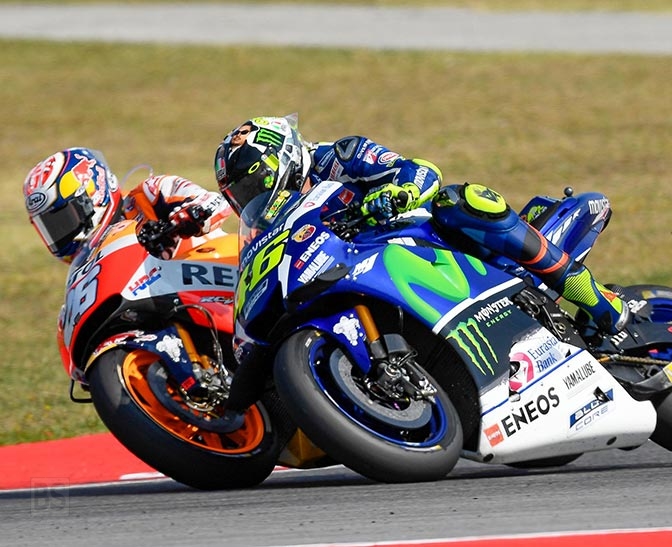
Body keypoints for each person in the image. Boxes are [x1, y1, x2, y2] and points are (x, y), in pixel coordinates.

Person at [213, 114, 629, 418]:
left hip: (419, 235)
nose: (250, 196)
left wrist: (399, 192)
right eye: (239, 193)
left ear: (283, 158)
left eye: (253, 181)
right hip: (363, 267)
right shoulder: (267, 225)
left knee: (463, 200)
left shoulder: (340, 156)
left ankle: (598, 300)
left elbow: (421, 170)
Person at [23, 147, 232, 264]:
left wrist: (185, 219)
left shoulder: (150, 193)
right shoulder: (86, 265)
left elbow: (216, 202)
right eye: (50, 227)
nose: (60, 233)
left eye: (64, 220)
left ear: (92, 196)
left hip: (218, 275)